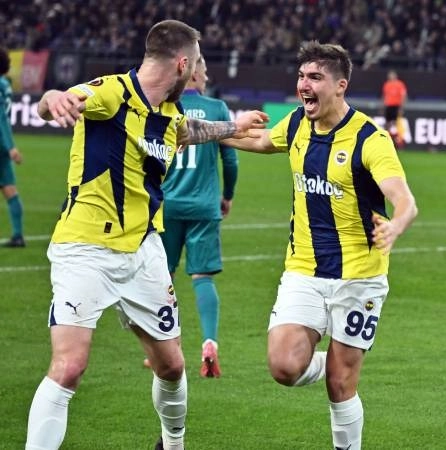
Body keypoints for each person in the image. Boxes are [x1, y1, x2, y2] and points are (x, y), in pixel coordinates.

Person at [25, 19, 267, 450]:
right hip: (86, 249)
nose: (197, 72)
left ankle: (173, 444)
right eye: (195, 64)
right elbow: (60, 101)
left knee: (172, 366)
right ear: (182, 64)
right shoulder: (112, 92)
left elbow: (188, 131)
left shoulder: (168, 113)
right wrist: (53, 98)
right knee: (69, 367)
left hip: (143, 252)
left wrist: (234, 125)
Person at [222, 41, 418, 450]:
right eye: (301, 76)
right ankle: (333, 360)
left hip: (359, 277)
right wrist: (214, 135)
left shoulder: (370, 138)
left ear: (340, 85)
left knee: (340, 384)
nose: (304, 85)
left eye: (315, 77)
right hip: (304, 270)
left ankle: (343, 397)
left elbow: (404, 200)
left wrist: (396, 225)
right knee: (283, 366)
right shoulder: (297, 123)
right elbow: (261, 142)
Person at [146, 54, 238, 378]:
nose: (208, 76)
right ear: (194, 75)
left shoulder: (165, 107)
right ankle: (209, 343)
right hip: (204, 205)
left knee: (164, 275)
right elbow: (231, 161)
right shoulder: (218, 109)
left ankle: (163, 345)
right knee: (202, 278)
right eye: (205, 71)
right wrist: (227, 196)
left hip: (168, 205)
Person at [0, 47, 25, 247]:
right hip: (3, 145)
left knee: (9, 189)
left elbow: (0, 118)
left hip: (3, 143)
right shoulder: (5, 84)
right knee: (9, 189)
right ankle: (18, 236)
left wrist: (11, 147)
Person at [381, 70, 407, 147]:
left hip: (396, 106)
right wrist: (383, 106)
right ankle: (386, 140)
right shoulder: (387, 84)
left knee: (396, 124)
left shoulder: (400, 84)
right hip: (388, 106)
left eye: (392, 75)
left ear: (395, 76)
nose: (390, 77)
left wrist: (401, 107)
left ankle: (398, 142)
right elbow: (384, 96)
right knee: (387, 124)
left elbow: (403, 96)